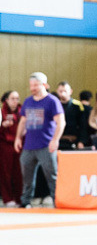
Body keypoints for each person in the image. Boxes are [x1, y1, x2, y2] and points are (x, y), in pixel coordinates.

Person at [13, 73, 64, 208]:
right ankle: (26, 201)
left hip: (46, 145)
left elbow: (61, 122)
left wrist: (55, 140)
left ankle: (57, 200)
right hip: (29, 145)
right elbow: (23, 121)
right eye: (31, 85)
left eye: (36, 85)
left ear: (44, 85)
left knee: (52, 175)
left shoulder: (52, 101)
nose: (33, 88)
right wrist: (18, 137)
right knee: (26, 176)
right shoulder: (28, 101)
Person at [0, 91, 23, 207]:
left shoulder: (22, 111)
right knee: (6, 173)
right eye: (12, 98)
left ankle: (20, 197)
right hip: (5, 145)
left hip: (20, 145)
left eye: (17, 98)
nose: (15, 101)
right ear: (7, 100)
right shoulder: (1, 112)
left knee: (19, 172)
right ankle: (8, 198)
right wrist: (2, 126)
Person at [55, 82, 88, 149]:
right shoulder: (54, 105)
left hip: (73, 140)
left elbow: (83, 125)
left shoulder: (77, 105)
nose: (63, 93)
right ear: (57, 91)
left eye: (65, 91)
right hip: (57, 139)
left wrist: (81, 141)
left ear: (70, 91)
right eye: (60, 91)